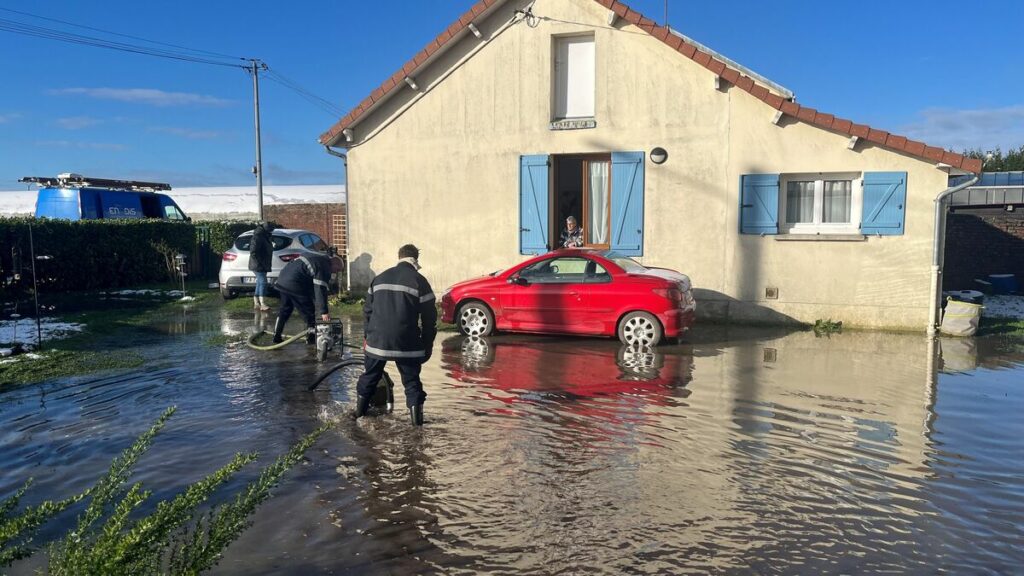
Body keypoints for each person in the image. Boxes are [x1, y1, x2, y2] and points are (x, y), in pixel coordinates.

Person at [354, 244, 437, 426]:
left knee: (370, 377)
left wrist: (367, 338)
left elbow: (367, 311)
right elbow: (430, 318)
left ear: (399, 257)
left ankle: (357, 418)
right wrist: (427, 344)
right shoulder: (419, 280)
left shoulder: (379, 278)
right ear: (416, 259)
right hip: (406, 343)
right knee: (412, 383)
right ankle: (417, 428)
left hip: (377, 342)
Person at [272, 254, 343, 345]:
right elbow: (320, 289)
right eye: (337, 270)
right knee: (309, 313)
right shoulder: (324, 266)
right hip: (294, 283)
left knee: (285, 310)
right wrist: (324, 311)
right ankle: (311, 339)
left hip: (282, 281)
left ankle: (276, 337)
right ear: (333, 264)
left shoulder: (317, 259)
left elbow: (310, 284)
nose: (335, 273)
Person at [249, 222, 274, 312]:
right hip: (258, 264)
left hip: (263, 263)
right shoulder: (258, 236)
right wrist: (260, 262)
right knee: (263, 282)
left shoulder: (265, 236)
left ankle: (256, 302)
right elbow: (253, 251)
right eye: (271, 230)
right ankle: (262, 303)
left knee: (260, 282)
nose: (272, 231)